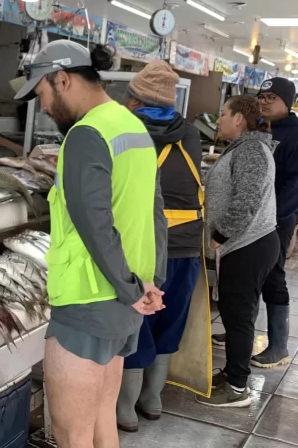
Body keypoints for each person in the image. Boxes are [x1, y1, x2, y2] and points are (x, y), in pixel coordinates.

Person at [15, 40, 167, 446]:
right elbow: (155, 212)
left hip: (88, 299)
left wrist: (130, 288)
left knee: (70, 432)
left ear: (62, 79)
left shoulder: (85, 134)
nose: (43, 107)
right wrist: (148, 283)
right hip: (124, 300)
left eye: (42, 95)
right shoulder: (131, 125)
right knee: (101, 422)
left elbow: (94, 225)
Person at [116, 61, 204, 432]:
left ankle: (125, 409)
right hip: (187, 245)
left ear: (135, 101)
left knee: (138, 322)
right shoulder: (192, 134)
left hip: (146, 245)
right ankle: (153, 399)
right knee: (171, 319)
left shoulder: (128, 134)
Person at [197, 95, 279, 407]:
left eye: (223, 113)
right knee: (234, 315)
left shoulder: (252, 149)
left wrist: (220, 234)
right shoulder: (247, 147)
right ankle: (233, 372)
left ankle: (236, 388)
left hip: (249, 246)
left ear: (239, 119)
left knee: (239, 315)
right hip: (246, 245)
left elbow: (248, 197)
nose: (218, 119)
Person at [212, 78, 298, 369]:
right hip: (255, 220)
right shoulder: (262, 133)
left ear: (287, 101)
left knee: (272, 280)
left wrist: (274, 216)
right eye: (261, 96)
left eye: (271, 97)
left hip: (275, 220)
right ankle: (238, 330)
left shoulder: (294, 135)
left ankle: (277, 345)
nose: (264, 101)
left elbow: (294, 185)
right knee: (244, 289)